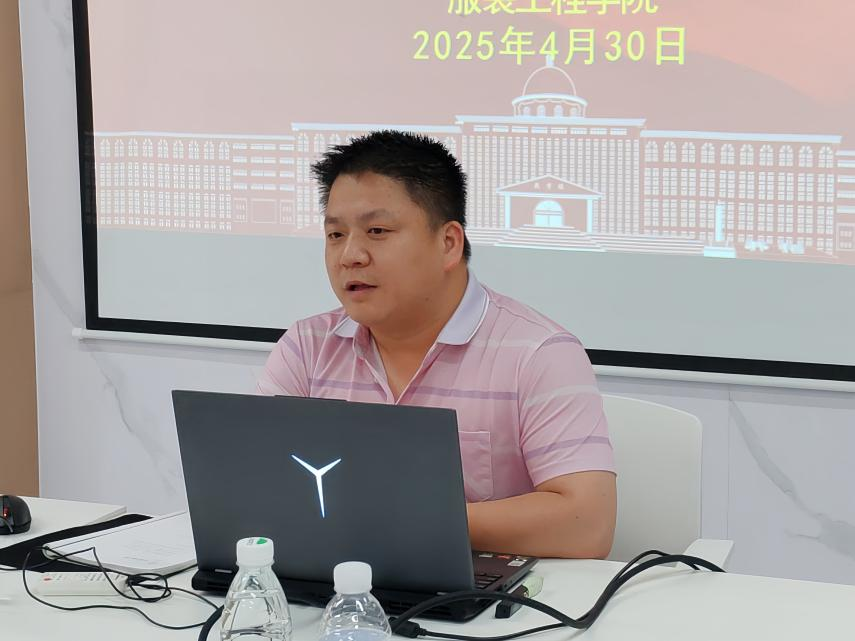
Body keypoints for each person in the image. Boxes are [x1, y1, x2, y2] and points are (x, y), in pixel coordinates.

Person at [257, 130, 616, 558]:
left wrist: (405, 520)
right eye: (335, 235)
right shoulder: (307, 347)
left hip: (479, 591)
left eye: (377, 230)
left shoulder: (539, 353)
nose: (350, 255)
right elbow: (252, 490)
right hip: (334, 584)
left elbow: (587, 526)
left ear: (448, 243)